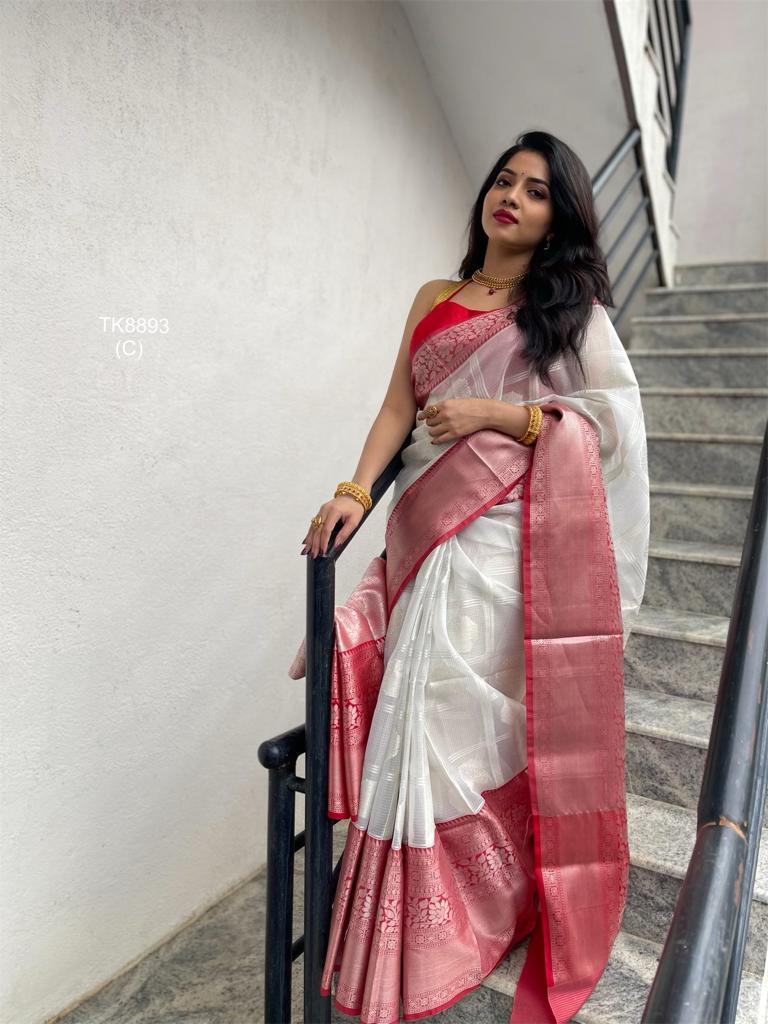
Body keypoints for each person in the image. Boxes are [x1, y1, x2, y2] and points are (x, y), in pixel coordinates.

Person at [289, 129, 650, 1024]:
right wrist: (351, 491)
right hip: (422, 522)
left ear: (555, 216)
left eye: (534, 191)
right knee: (412, 711)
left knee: (452, 718)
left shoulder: (567, 311)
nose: (511, 198)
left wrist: (500, 413)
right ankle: (404, 926)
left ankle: (486, 902)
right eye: (503, 181)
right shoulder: (435, 296)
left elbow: (609, 427)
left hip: (502, 540)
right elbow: (397, 406)